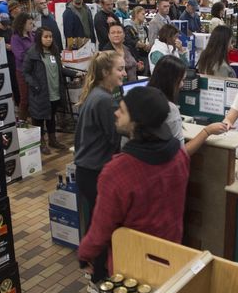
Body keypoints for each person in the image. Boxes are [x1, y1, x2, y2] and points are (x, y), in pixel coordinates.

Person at [77, 85, 191, 281]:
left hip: (132, 263)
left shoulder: (117, 172)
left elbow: (100, 229)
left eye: (122, 110)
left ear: (137, 122)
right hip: (171, 254)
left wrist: (84, 254)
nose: (116, 113)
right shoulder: (179, 155)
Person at [74, 51, 126, 287]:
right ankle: (99, 278)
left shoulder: (98, 94)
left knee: (96, 219)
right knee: (104, 223)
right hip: (94, 171)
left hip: (86, 169)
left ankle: (89, 262)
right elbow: (115, 137)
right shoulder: (104, 100)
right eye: (120, 69)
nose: (124, 73)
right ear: (106, 73)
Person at [148, 55, 227, 154]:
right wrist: (207, 131)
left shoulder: (142, 100)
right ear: (171, 81)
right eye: (181, 80)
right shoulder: (169, 109)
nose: (182, 85)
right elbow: (182, 153)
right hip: (162, 166)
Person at [23, 26, 77, 154]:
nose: (49, 39)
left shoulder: (54, 51)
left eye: (50, 37)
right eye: (46, 37)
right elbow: (26, 73)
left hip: (54, 91)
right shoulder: (32, 53)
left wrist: (74, 74)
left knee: (51, 117)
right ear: (39, 38)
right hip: (40, 93)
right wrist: (35, 85)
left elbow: (60, 69)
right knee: (39, 119)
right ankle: (41, 142)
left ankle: (53, 140)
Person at [10, 12, 35, 121]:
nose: (32, 25)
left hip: (34, 70)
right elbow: (20, 55)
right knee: (24, 98)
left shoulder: (32, 35)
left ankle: (34, 121)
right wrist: (34, 55)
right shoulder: (15, 38)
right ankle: (22, 122)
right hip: (22, 71)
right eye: (30, 23)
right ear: (22, 24)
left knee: (34, 98)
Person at [124, 6, 150, 75]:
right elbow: (128, 42)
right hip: (134, 55)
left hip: (144, 53)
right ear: (136, 14)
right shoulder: (128, 27)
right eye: (142, 14)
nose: (144, 16)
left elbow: (147, 39)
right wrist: (139, 44)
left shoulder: (145, 28)